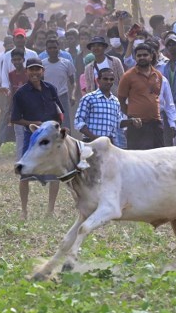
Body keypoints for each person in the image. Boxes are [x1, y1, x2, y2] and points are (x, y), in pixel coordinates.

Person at [11, 58, 63, 219]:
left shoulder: (51, 89)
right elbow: (14, 118)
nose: (35, 73)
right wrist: (32, 123)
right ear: (26, 72)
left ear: (43, 71)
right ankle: (24, 211)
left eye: (38, 69)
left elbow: (59, 111)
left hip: (50, 137)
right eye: (31, 70)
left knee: (55, 173)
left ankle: (50, 210)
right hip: (32, 136)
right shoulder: (20, 93)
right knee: (25, 173)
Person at [118, 43, 163, 149]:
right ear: (135, 57)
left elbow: (156, 95)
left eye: (145, 55)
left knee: (158, 155)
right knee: (137, 157)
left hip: (155, 123)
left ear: (151, 57)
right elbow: (121, 100)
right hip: (137, 125)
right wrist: (132, 115)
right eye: (139, 55)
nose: (142, 57)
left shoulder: (157, 75)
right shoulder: (128, 76)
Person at [74, 67, 133, 144]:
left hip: (109, 144)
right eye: (105, 79)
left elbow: (118, 123)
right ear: (98, 80)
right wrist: (94, 137)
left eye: (111, 79)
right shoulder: (88, 98)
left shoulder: (115, 101)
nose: (108, 82)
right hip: (90, 143)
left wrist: (131, 121)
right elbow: (78, 122)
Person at [41, 38, 76, 131]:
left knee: (65, 125)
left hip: (62, 97)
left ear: (59, 48)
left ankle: (68, 144)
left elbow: (73, 82)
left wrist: (72, 95)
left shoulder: (67, 63)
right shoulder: (42, 64)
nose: (52, 50)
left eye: (54, 48)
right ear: (46, 50)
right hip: (47, 98)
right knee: (49, 125)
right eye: (50, 48)